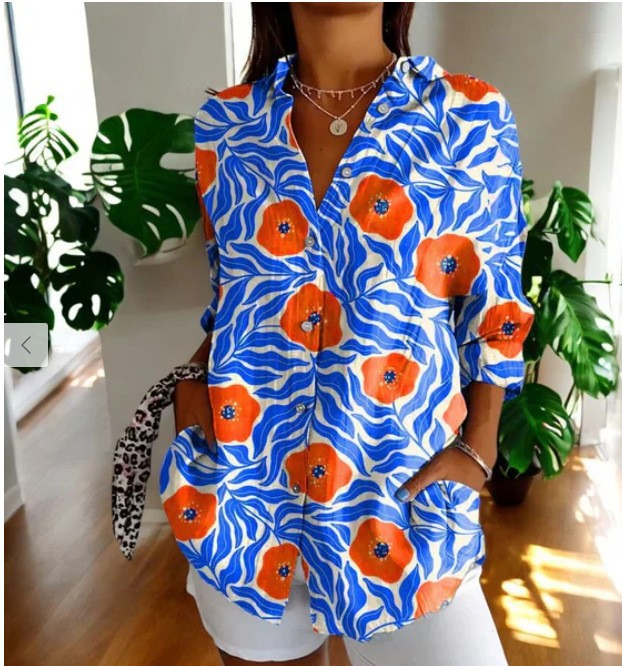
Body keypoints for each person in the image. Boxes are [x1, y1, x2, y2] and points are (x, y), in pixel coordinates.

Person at [168, 2, 534, 665]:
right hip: (244, 497)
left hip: (400, 498)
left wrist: (478, 449)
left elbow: (497, 305)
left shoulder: (467, 115)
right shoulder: (226, 124)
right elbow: (232, 293)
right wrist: (191, 382)